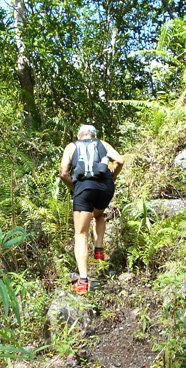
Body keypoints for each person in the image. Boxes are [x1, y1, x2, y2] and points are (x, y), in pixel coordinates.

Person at [59, 124, 124, 295]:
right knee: (99, 214)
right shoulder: (102, 144)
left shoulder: (72, 146)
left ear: (79, 135)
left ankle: (83, 282)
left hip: (84, 188)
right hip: (105, 189)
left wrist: (75, 189)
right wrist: (111, 177)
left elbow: (63, 173)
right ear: (94, 135)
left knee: (81, 234)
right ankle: (99, 250)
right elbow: (120, 160)